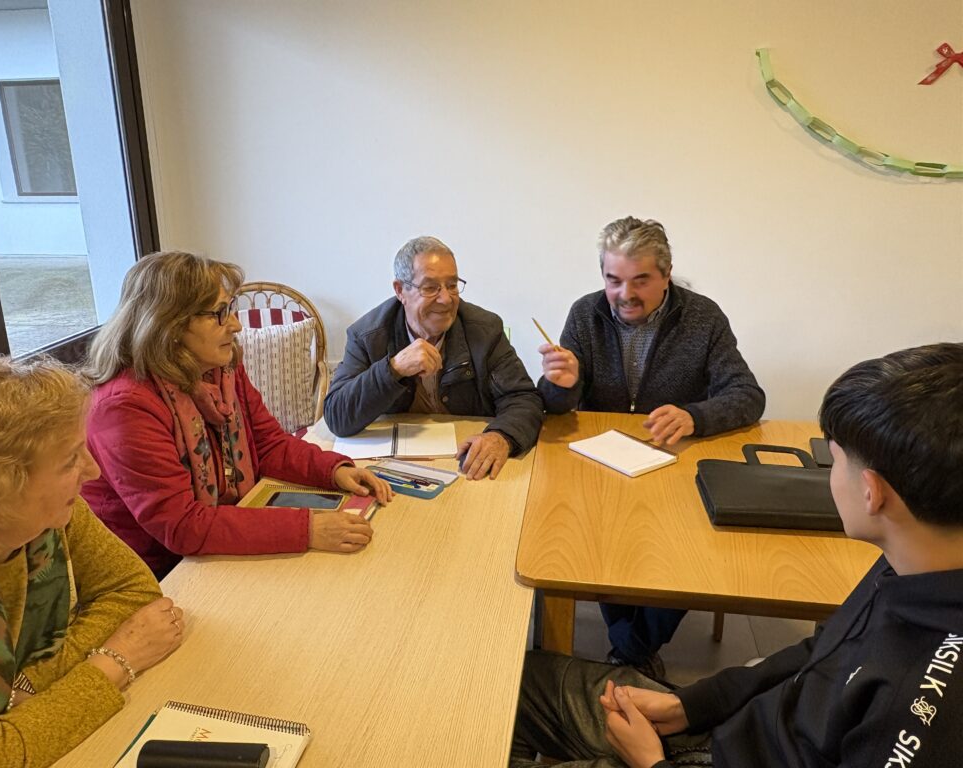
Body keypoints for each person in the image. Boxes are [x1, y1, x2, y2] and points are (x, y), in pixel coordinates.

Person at [511, 342, 963, 768]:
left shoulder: (923, 702)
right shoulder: (914, 560)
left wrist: (652, 762)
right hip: (726, 730)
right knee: (507, 682)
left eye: (836, 459)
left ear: (872, 494)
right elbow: (822, 651)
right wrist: (691, 703)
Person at [538, 217, 766, 673]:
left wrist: (694, 415)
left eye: (641, 279)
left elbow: (748, 396)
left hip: (673, 464)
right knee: (591, 538)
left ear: (666, 274)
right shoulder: (585, 313)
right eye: (613, 280)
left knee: (691, 548)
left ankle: (629, 649)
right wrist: (561, 385)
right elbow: (557, 406)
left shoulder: (703, 317)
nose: (625, 294)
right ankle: (635, 653)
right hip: (601, 467)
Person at [83, 251, 392, 579]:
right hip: (154, 573)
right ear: (169, 324)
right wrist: (308, 528)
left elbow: (268, 444)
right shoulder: (123, 407)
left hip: (213, 543)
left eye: (230, 308)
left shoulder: (221, 368)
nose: (236, 324)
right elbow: (183, 526)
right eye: (219, 313)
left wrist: (334, 470)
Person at [0, 355, 184, 768]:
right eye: (71, 459)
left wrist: (21, 687)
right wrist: (114, 660)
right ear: (0, 485)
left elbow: (134, 592)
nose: (90, 470)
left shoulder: (50, 516)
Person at [324, 236, 543, 480]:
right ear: (400, 290)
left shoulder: (484, 329)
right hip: (394, 469)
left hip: (467, 464)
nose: (446, 299)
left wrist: (501, 436)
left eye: (452, 285)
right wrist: (393, 369)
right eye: (430, 288)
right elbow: (337, 416)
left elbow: (523, 398)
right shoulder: (367, 335)